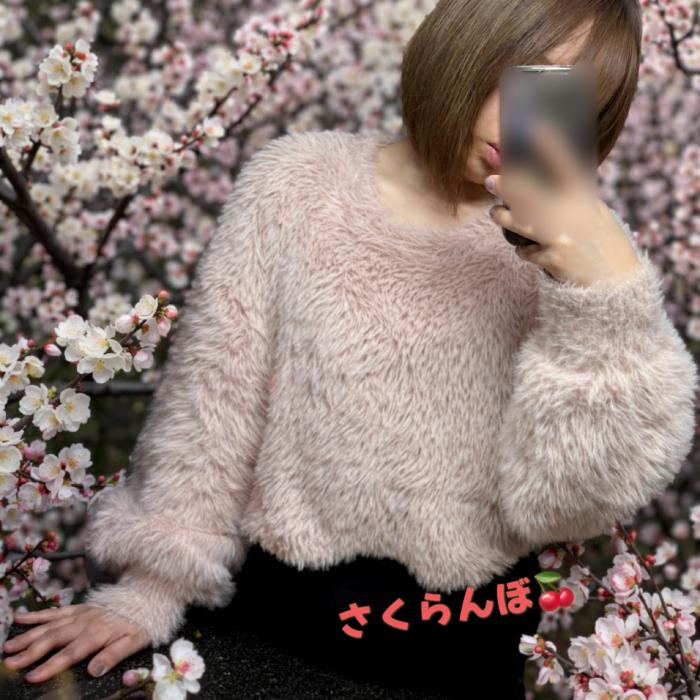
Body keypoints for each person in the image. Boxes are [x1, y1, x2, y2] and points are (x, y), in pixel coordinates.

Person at [4, 0, 698, 697]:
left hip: (464, 652)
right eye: (530, 82)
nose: (535, 125)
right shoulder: (298, 186)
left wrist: (607, 300)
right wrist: (149, 590)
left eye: (571, 104)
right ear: (466, 47)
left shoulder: (579, 254)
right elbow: (213, 404)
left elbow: (569, 506)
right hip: (267, 630)